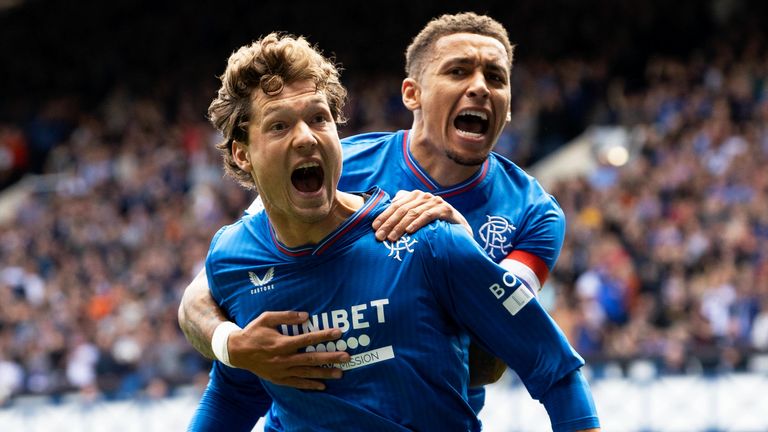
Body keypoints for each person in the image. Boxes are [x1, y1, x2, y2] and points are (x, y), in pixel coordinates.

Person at [189, 31, 599, 431]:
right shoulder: (238, 249)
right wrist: (230, 344)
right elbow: (221, 349)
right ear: (412, 94)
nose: (305, 138)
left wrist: (460, 268)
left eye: (319, 119)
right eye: (458, 72)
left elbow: (504, 358)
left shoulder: (488, 225)